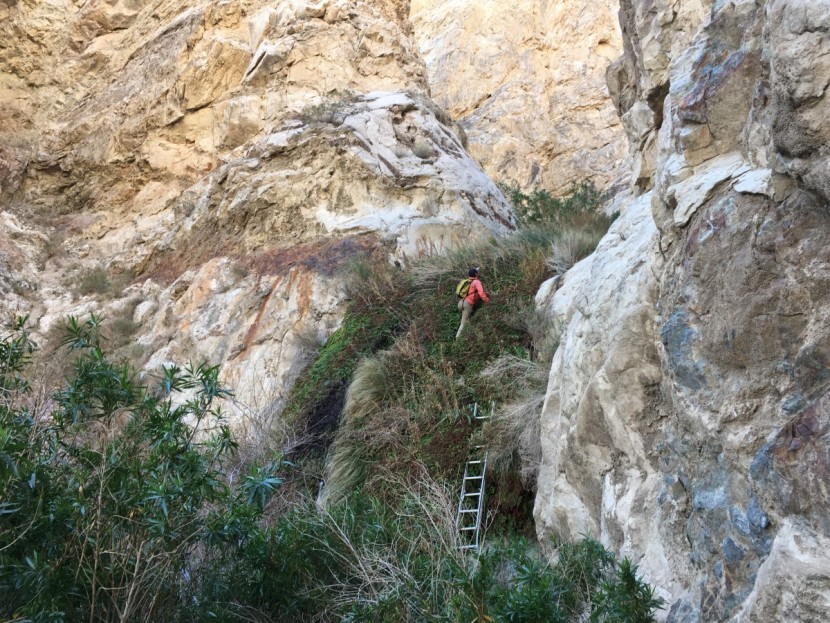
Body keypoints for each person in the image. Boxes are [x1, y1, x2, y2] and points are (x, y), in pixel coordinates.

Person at [456, 266, 489, 339]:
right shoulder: (477, 282)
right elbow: (481, 293)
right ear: (476, 274)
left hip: (461, 303)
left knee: (466, 320)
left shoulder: (467, 282)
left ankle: (465, 336)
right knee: (463, 323)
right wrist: (487, 300)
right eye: (477, 272)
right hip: (467, 304)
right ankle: (457, 339)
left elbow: (472, 292)